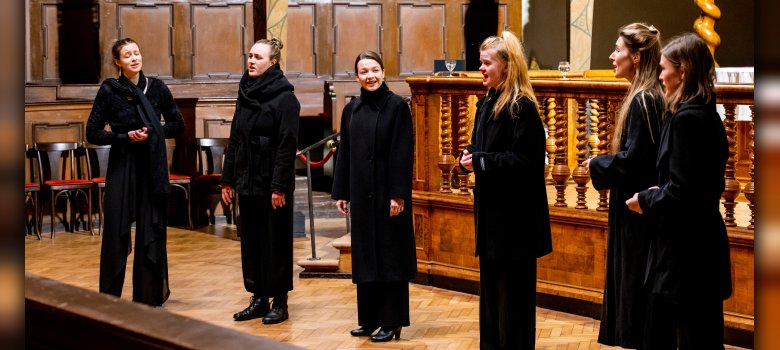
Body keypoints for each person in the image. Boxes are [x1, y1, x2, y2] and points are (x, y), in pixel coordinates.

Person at [626, 33, 732, 349]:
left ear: (682, 71)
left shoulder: (687, 121)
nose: (660, 76)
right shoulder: (707, 114)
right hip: (703, 244)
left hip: (687, 253)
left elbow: (683, 190)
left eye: (663, 69)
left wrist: (645, 199)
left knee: (691, 337)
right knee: (703, 334)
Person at [458, 31, 552, 349]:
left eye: (487, 63)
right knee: (492, 299)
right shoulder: (486, 103)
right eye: (480, 63)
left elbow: (525, 162)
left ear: (507, 66)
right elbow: (477, 147)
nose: (481, 69)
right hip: (492, 220)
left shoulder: (522, 107)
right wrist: (466, 158)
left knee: (514, 302)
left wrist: (480, 162)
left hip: (517, 223)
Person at [583, 23, 665, 348]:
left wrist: (596, 163)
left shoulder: (644, 100)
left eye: (618, 50)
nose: (612, 56)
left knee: (636, 292)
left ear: (637, 57)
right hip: (637, 206)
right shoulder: (645, 97)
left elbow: (635, 160)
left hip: (637, 211)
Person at [86, 38, 184, 306]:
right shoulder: (109, 90)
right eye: (127, 55)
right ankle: (110, 298)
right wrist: (124, 136)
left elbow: (177, 123)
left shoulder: (157, 88)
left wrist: (154, 133)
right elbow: (92, 132)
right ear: (118, 62)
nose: (134, 58)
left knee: (150, 230)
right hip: (123, 164)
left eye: (137, 53)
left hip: (152, 167)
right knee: (116, 229)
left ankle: (148, 297)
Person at [331, 51, 416, 343]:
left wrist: (398, 195)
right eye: (364, 71)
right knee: (366, 257)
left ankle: (392, 322)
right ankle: (368, 320)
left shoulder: (397, 107)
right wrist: (341, 191)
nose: (370, 76)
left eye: (375, 70)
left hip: (387, 196)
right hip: (361, 196)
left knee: (390, 257)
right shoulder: (351, 109)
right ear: (357, 76)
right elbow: (346, 153)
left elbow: (402, 154)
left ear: (384, 72)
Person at [220, 38, 300, 325]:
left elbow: (287, 145)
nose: (251, 61)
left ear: (273, 62)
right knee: (251, 241)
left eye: (257, 57)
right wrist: (227, 180)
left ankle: (279, 301)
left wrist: (279, 187)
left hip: (271, 183)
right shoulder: (245, 91)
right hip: (247, 178)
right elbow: (235, 138)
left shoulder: (285, 97)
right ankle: (257, 298)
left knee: (274, 242)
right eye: (250, 56)